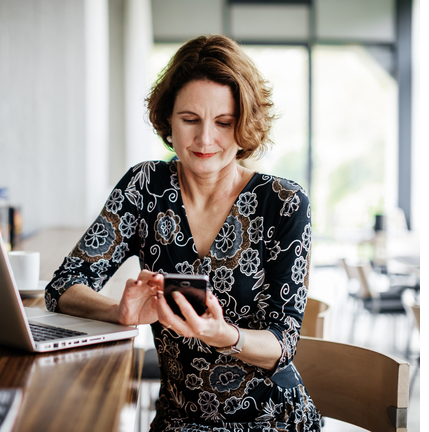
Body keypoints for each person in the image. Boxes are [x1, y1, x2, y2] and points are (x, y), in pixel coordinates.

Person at [44, 34, 321, 432]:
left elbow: (283, 345)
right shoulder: (145, 187)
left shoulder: (284, 202)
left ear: (244, 126)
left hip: (271, 420)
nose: (204, 139)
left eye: (223, 123)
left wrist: (222, 334)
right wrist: (118, 313)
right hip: (181, 420)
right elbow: (64, 286)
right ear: (168, 121)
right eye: (190, 119)